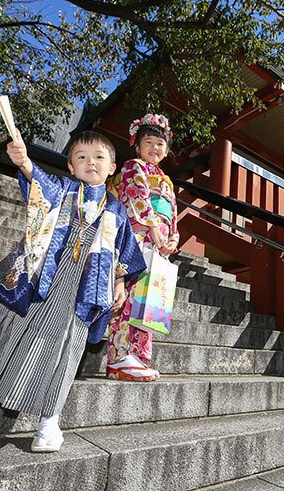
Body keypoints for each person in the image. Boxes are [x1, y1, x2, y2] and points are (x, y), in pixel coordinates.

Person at [0, 130, 146, 453]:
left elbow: (125, 252)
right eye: (81, 157)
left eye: (99, 157)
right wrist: (25, 162)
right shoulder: (64, 189)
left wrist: (121, 282)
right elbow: (41, 185)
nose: (90, 162)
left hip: (83, 282)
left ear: (112, 167)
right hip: (42, 266)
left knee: (65, 345)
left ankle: (49, 418)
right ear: (70, 167)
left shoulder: (117, 210)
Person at [105, 113, 179, 382]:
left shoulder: (167, 180)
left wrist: (173, 237)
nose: (155, 148)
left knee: (149, 302)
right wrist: (153, 226)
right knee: (130, 295)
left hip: (158, 244)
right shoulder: (134, 167)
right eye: (149, 142)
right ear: (137, 145)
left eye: (161, 144)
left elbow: (171, 213)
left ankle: (138, 356)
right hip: (137, 238)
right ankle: (120, 356)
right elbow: (136, 198)